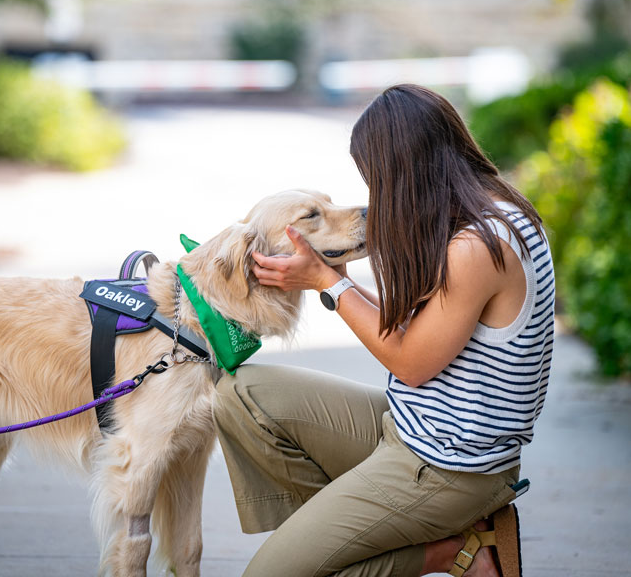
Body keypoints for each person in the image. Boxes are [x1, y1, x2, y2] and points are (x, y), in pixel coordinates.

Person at [212, 84, 554, 577]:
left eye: (378, 178)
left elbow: (411, 363)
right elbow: (420, 336)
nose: (376, 196)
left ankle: (460, 551)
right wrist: (340, 283)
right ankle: (339, 538)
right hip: (409, 426)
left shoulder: (478, 246)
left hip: (449, 469)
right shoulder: (490, 211)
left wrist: (327, 283)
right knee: (241, 394)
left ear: (408, 168)